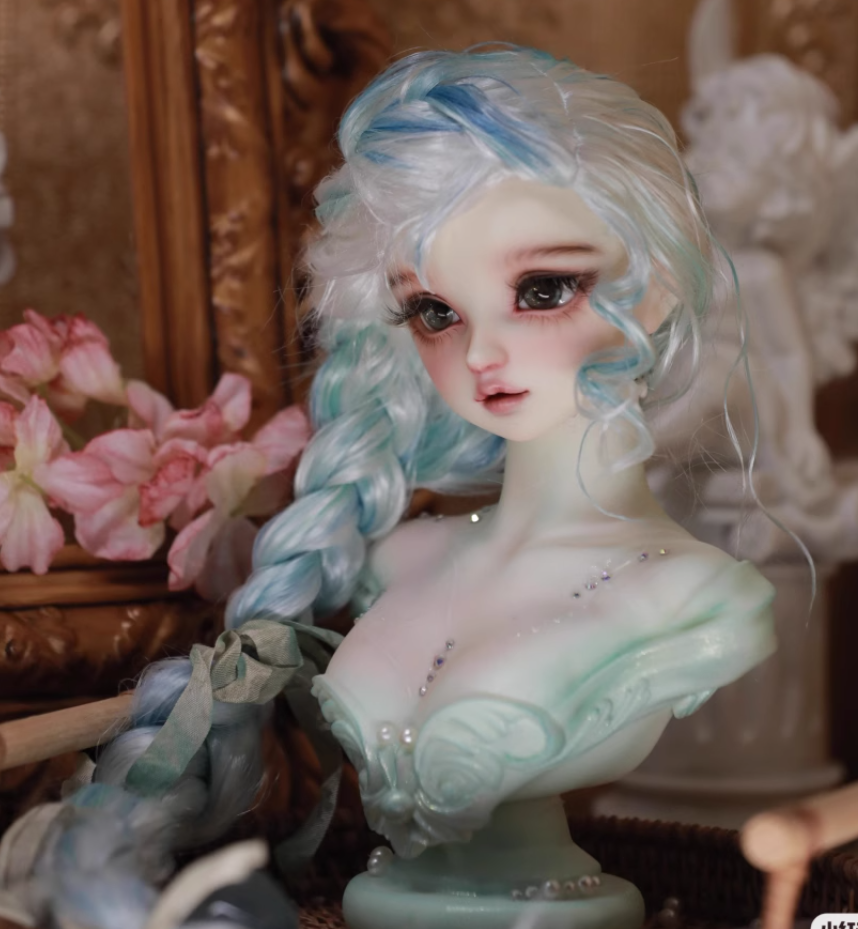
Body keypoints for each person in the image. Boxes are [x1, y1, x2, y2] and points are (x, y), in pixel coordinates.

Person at [1, 46, 776, 929]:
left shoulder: (693, 595)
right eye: (436, 312)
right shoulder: (400, 557)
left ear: (656, 289)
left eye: (542, 289)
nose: (482, 352)